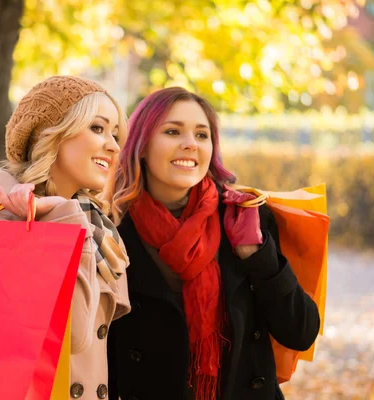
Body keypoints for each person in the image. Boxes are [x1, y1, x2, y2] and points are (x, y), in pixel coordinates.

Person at [106, 87, 320, 400]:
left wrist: (258, 256)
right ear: (141, 145)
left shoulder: (244, 215)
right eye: (172, 131)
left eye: (202, 135)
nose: (190, 144)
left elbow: (300, 332)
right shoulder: (112, 227)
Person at [0, 76, 131, 400]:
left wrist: (66, 214)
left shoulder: (99, 228)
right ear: (50, 134)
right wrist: (65, 220)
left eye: (115, 133)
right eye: (97, 128)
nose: (113, 145)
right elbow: (74, 336)